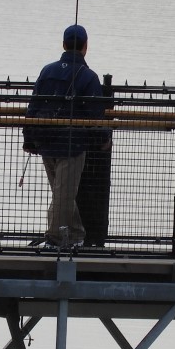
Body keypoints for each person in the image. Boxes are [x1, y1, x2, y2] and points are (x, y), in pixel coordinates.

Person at [23, 24, 107, 250]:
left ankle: (77, 234)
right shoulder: (88, 76)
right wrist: (102, 140)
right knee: (63, 195)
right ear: (85, 47)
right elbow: (95, 115)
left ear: (63, 44)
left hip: (45, 141)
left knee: (62, 194)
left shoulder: (47, 71)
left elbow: (34, 105)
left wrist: (29, 138)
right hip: (72, 145)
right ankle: (54, 239)